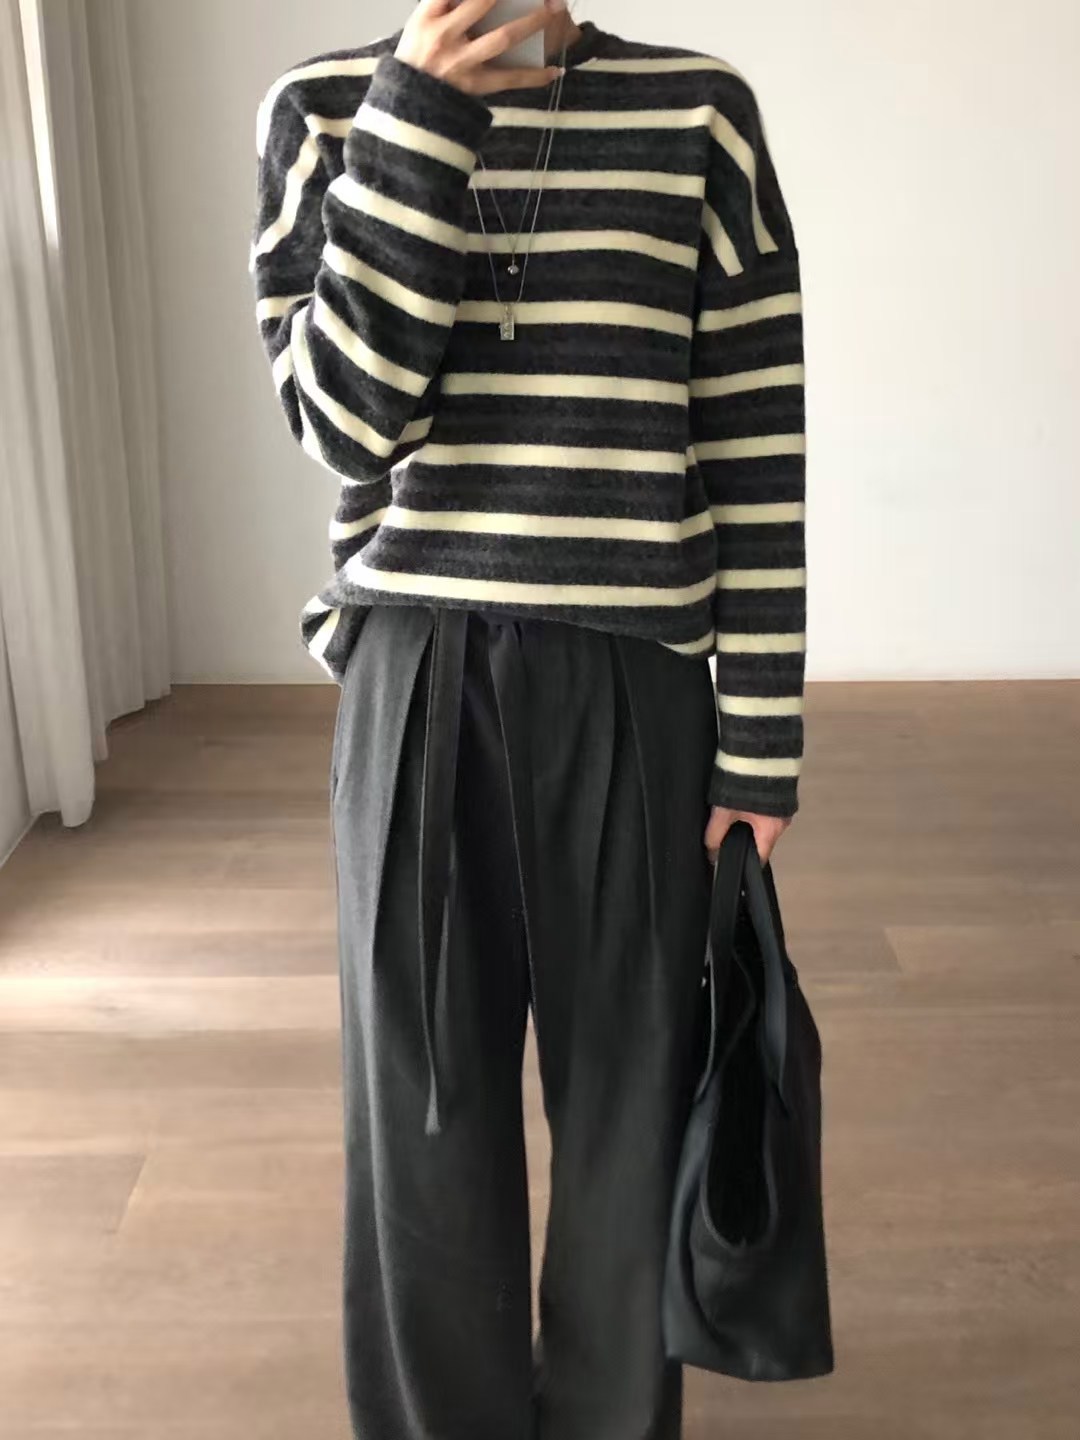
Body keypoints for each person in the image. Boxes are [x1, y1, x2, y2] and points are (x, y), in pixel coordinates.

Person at [248, 1, 806, 1435]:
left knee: (633, 1107)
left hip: (635, 681)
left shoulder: (701, 114)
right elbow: (343, 424)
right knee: (420, 1116)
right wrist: (419, 126)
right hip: (414, 672)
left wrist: (759, 739)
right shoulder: (322, 113)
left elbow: (753, 437)